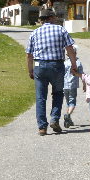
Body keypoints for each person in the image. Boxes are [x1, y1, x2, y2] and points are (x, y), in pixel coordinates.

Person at [25, 7, 80, 136]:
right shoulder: (61, 30)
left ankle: (42, 127)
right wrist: (73, 65)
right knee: (58, 93)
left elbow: (29, 55)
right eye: (54, 17)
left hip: (40, 66)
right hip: (57, 65)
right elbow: (70, 49)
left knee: (40, 97)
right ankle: (54, 119)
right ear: (50, 18)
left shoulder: (35, 33)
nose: (56, 19)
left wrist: (30, 70)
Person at [63, 45, 84, 128]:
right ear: (75, 53)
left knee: (68, 102)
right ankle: (68, 115)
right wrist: (84, 84)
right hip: (73, 85)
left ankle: (68, 120)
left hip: (64, 85)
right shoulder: (78, 62)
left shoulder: (65, 63)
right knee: (72, 103)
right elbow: (82, 75)